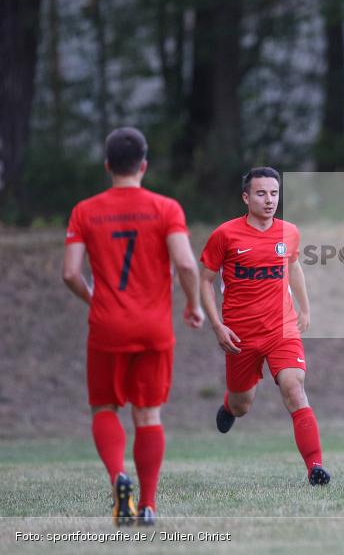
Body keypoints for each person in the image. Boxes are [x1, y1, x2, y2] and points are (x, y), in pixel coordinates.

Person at [62, 127, 204, 527]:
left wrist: (95, 298)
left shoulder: (85, 211)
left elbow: (70, 273)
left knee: (104, 406)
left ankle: (117, 478)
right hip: (154, 327)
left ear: (107, 166)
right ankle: (148, 504)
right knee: (149, 414)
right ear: (143, 165)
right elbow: (187, 264)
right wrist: (193, 305)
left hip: (107, 327)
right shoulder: (166, 208)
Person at [199, 167, 330, 486]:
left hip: (281, 330)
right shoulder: (225, 235)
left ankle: (315, 468)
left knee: (294, 388)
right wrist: (216, 325)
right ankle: (231, 405)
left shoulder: (289, 232)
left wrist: (305, 308)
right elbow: (204, 281)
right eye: (261, 193)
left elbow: (294, 266)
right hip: (240, 336)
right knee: (244, 403)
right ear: (246, 198)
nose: (269, 200)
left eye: (274, 193)